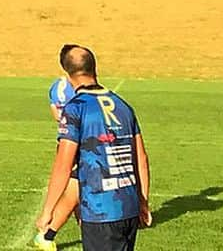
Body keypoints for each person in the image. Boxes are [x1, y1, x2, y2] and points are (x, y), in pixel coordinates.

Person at [37, 45, 150, 251]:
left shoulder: (75, 108)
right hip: (129, 207)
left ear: (68, 75)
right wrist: (143, 201)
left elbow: (63, 165)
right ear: (94, 68)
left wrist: (48, 211)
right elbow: (141, 158)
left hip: (101, 211)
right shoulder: (123, 106)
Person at [34, 61, 81, 248]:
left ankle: (82, 225)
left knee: (77, 187)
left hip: (65, 140)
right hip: (79, 142)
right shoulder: (78, 88)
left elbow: (56, 114)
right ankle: (47, 233)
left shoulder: (56, 87)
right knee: (75, 187)